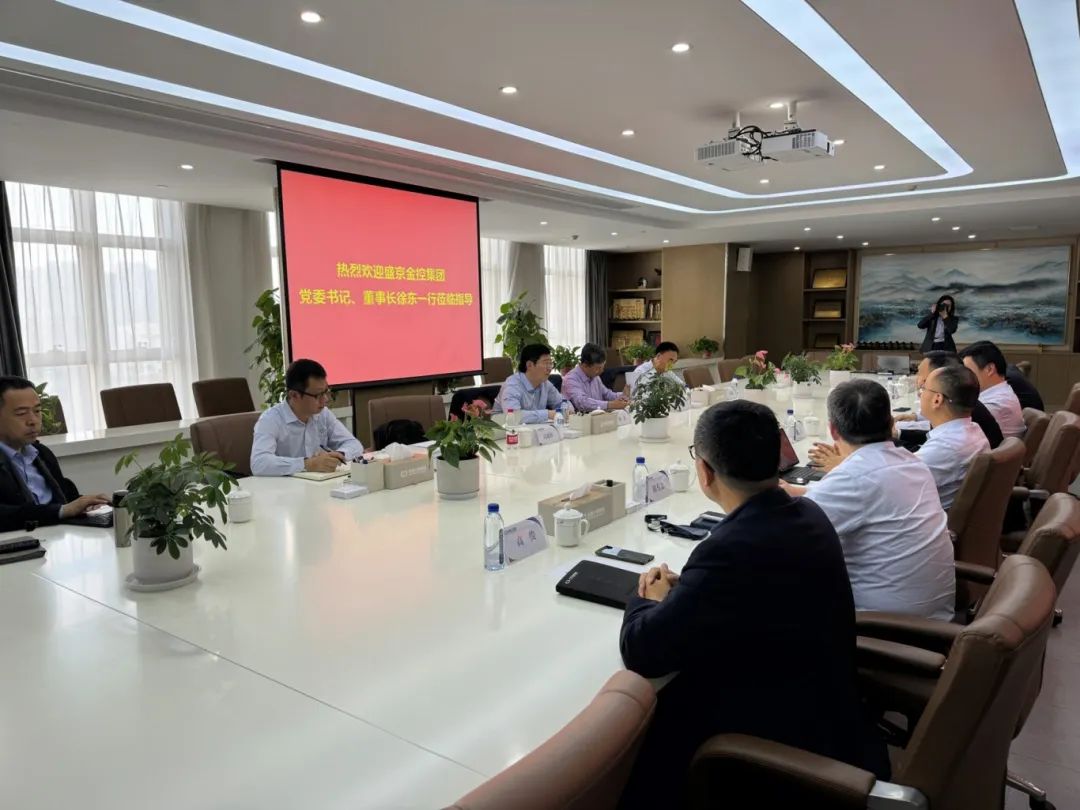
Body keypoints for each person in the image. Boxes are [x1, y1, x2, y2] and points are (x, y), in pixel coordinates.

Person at [617, 401, 887, 808]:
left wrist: (645, 598)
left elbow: (642, 652)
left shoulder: (729, 550)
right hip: (830, 715)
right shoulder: (807, 512)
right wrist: (690, 592)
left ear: (704, 472)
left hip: (774, 743)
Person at [783, 379, 955, 620]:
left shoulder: (853, 478)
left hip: (884, 628)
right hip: (932, 617)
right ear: (891, 423)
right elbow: (868, 492)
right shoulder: (912, 463)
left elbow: (787, 540)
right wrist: (798, 492)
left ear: (833, 430)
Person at [0, 376, 109, 532]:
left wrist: (89, 503)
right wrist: (61, 511)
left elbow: (66, 498)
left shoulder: (41, 453)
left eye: (37, 411)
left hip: (58, 534)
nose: (33, 420)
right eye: (21, 413)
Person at [250, 359, 364, 476]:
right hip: (284, 486)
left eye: (326, 392)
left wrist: (338, 455)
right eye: (318, 395)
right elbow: (259, 463)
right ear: (294, 395)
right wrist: (306, 464)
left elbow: (354, 444)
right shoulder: (270, 419)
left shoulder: (323, 414)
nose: (325, 399)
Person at [911, 364, 990, 511]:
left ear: (937, 399)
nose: (920, 394)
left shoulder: (945, 447)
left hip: (928, 519)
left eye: (923, 388)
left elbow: (893, 482)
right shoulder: (973, 429)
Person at [890, 351, 1003, 449]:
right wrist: (898, 434)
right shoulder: (964, 407)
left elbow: (922, 456)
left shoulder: (951, 438)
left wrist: (887, 441)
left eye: (925, 385)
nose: (919, 384)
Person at [959, 341, 1026, 439]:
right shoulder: (1003, 393)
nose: (963, 377)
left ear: (990, 369)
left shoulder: (995, 405)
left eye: (967, 371)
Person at [490, 344, 569, 424]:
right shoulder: (512, 385)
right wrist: (548, 414)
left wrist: (565, 410)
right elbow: (513, 416)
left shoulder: (545, 384)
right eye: (546, 363)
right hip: (503, 429)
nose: (549, 368)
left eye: (550, 363)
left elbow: (563, 402)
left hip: (533, 428)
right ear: (529, 365)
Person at [560, 343, 629, 412]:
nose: (601, 371)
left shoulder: (595, 377)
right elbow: (582, 403)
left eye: (603, 367)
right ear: (585, 365)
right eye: (598, 368)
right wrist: (610, 404)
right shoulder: (570, 379)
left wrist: (623, 395)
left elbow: (607, 394)